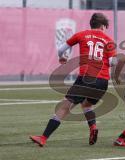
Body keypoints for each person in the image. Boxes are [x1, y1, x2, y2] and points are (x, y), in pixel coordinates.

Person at [30, 13, 116, 147]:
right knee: (87, 104)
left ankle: (43, 137)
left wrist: (62, 57)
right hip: (102, 81)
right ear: (103, 26)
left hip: (86, 78)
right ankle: (93, 127)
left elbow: (61, 49)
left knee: (64, 107)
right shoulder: (109, 40)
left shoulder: (81, 35)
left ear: (91, 24)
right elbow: (112, 62)